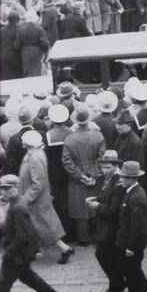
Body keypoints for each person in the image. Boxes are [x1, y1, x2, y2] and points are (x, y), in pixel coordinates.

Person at [0, 174, 66, 292]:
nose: (4, 192)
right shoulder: (15, 203)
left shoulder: (18, 207)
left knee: (3, 284)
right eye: (2, 189)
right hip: (18, 253)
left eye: (8, 189)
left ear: (16, 188)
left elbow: (23, 236)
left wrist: (9, 252)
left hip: (16, 254)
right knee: (28, 277)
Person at [17, 130, 75, 263]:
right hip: (35, 200)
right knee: (42, 227)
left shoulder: (35, 157)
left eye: (23, 140)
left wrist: (25, 199)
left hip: (34, 201)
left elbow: (38, 183)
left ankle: (65, 249)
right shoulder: (34, 154)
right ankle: (63, 249)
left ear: (29, 143)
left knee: (44, 228)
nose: (21, 142)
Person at [62, 104, 105, 247]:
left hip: (77, 177)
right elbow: (102, 157)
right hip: (96, 174)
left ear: (76, 121)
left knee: (80, 207)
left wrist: (81, 176)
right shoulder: (98, 135)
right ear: (88, 119)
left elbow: (67, 162)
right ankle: (99, 235)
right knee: (96, 203)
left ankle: (83, 238)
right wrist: (92, 174)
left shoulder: (69, 139)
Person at [87, 150, 126, 292]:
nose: (105, 170)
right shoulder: (109, 180)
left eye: (108, 167)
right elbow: (107, 198)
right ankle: (121, 284)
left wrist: (97, 206)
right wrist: (96, 198)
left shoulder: (118, 183)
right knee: (110, 258)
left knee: (106, 256)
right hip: (106, 226)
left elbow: (114, 210)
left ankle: (116, 287)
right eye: (103, 167)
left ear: (116, 166)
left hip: (113, 228)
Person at [115, 160, 147, 292]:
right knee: (132, 268)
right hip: (128, 240)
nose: (120, 180)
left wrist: (131, 247)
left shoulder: (136, 198)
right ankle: (143, 287)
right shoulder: (132, 192)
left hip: (133, 242)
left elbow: (138, 227)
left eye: (122, 177)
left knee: (132, 271)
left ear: (131, 179)